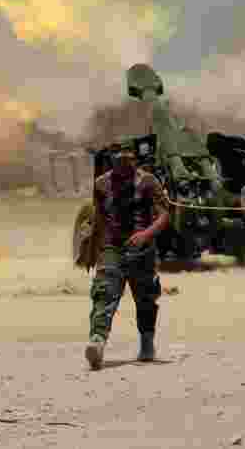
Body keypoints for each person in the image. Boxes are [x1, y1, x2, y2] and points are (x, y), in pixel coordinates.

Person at [81, 139, 171, 370]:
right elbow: (99, 219)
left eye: (129, 159)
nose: (125, 164)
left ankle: (147, 343)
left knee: (146, 298)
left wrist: (146, 234)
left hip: (142, 249)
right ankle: (97, 342)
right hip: (112, 247)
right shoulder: (101, 184)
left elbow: (164, 215)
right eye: (120, 160)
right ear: (113, 161)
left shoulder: (148, 181)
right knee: (104, 292)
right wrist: (91, 250)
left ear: (135, 160)